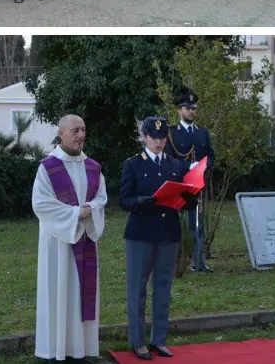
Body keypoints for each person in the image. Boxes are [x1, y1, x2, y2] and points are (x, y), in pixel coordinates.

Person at [32, 115, 107, 362]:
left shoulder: (93, 167)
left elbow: (101, 199)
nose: (81, 135)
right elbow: (41, 204)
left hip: (85, 239)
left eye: (84, 130)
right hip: (59, 245)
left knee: (80, 294)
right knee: (59, 292)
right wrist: (76, 213)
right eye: (75, 130)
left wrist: (90, 210)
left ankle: (81, 349)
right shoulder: (48, 167)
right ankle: (56, 349)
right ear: (61, 133)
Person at [121, 116, 196, 361]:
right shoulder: (133, 164)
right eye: (154, 137)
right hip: (141, 234)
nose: (158, 142)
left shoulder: (176, 165)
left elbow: (184, 197)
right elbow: (124, 200)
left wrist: (190, 198)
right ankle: (138, 341)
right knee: (138, 289)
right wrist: (141, 202)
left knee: (163, 288)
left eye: (163, 137)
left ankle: (159, 339)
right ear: (145, 137)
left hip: (168, 233)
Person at [167, 90, 216, 273]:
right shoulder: (172, 133)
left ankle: (198, 262)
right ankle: (176, 263)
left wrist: (203, 166)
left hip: (197, 185)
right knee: (175, 225)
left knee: (197, 225)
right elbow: (169, 159)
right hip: (179, 185)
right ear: (179, 110)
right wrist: (187, 166)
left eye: (194, 108)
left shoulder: (202, 133)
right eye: (188, 108)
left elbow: (211, 155)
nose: (192, 111)